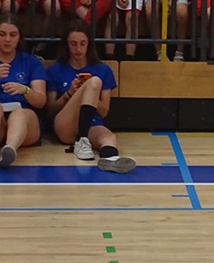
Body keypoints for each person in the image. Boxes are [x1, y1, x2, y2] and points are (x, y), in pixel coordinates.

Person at [44, 22, 137, 172]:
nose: (78, 49)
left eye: (82, 43)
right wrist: (70, 94)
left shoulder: (102, 69)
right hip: (66, 125)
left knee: (109, 137)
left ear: (89, 44)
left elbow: (104, 111)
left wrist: (91, 95)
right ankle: (82, 140)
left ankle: (110, 158)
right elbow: (50, 110)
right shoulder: (56, 69)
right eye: (73, 44)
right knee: (94, 82)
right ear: (66, 45)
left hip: (92, 123)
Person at [0, 15, 47, 168]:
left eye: (12, 35)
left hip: (26, 123)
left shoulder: (31, 62)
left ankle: (9, 151)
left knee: (19, 114)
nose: (7, 39)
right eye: (2, 34)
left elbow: (41, 101)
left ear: (19, 37)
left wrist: (24, 90)